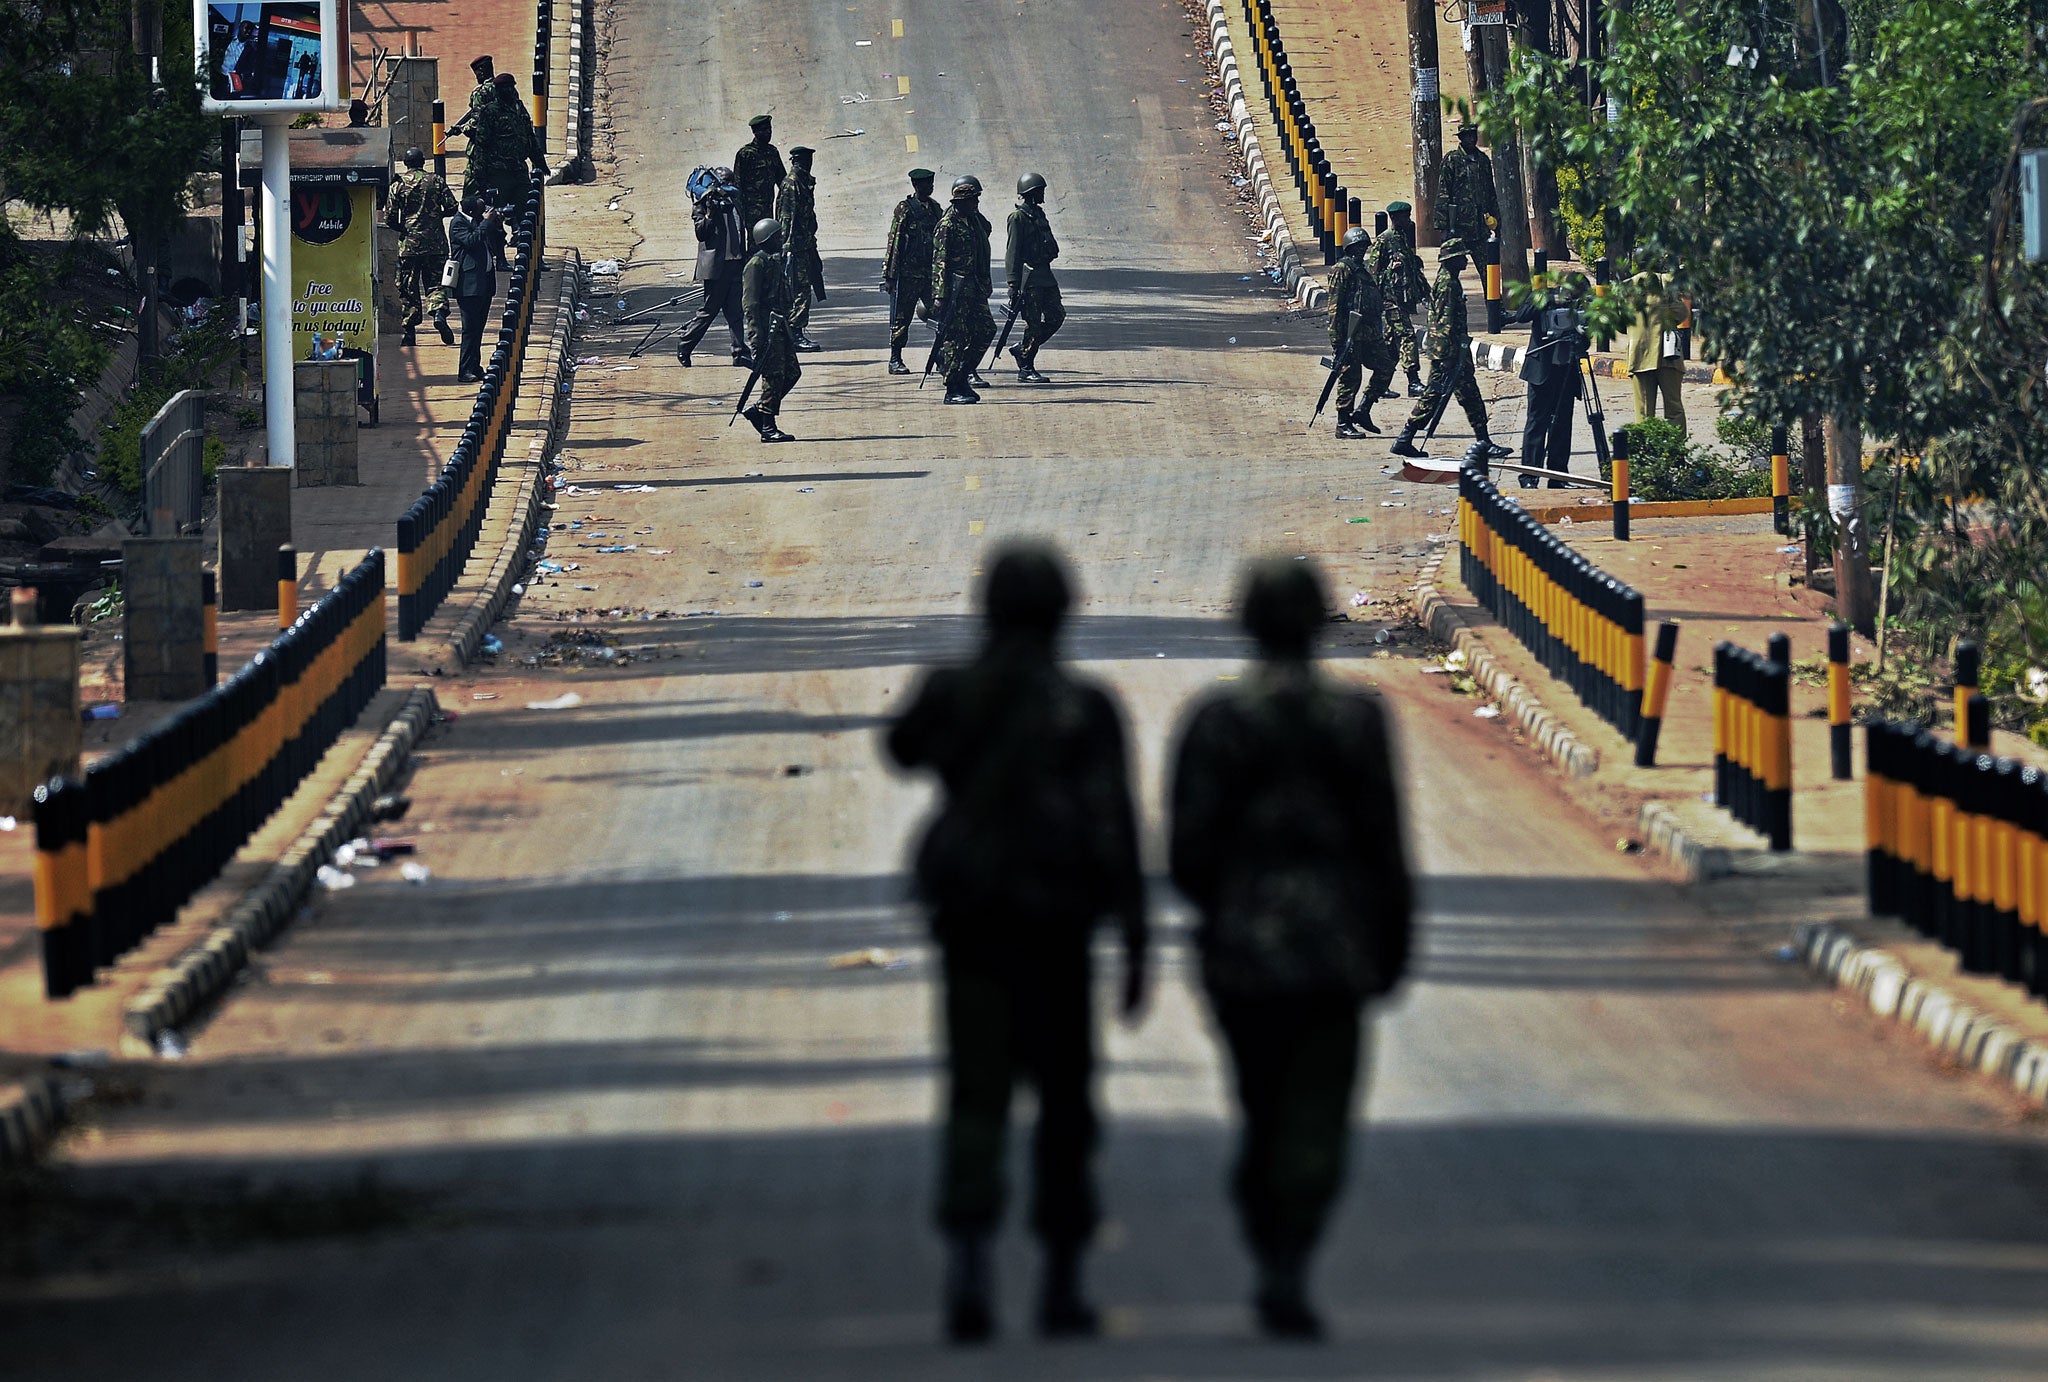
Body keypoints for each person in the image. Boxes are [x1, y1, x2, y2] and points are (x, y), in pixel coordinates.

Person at [885, 543, 1147, 1345]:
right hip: (1060, 930)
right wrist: (1136, 946)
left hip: (975, 926)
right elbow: (1119, 834)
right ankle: (1061, 1281)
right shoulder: (1086, 705)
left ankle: (970, 1263)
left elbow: (902, 750)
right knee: (1065, 1103)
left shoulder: (955, 691)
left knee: (977, 1095)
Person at [1168, 556, 1413, 1340]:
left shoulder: (1215, 721)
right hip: (1335, 948)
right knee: (1318, 1114)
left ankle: (1269, 1238)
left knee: (1259, 1103)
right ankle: (1290, 1256)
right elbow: (1385, 847)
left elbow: (1187, 854)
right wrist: (1393, 944)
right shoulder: (1357, 719)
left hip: (1242, 952)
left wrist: (1222, 919)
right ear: (1318, 621)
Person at [1389, 238, 1507, 459]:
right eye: (1461, 257)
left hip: (1453, 350)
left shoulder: (1451, 280)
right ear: (1451, 260)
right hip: (1448, 353)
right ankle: (1405, 438)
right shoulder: (1448, 285)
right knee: (1434, 396)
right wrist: (1447, 357)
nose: (1465, 260)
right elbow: (1442, 322)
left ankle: (1484, 441)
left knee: (1468, 396)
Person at [1507, 277, 1589, 487]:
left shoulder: (1580, 305)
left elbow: (1586, 339)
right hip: (1542, 370)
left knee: (1562, 425)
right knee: (1537, 423)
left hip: (1567, 370)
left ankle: (1558, 476)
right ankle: (1529, 477)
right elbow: (1522, 315)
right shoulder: (1544, 295)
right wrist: (1551, 299)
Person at [1324, 226, 1394, 439]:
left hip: (1370, 333)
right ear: (1348, 248)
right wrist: (1338, 340)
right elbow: (1334, 307)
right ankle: (1343, 422)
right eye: (1357, 247)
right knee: (1351, 377)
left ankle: (1364, 409)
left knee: (1386, 367)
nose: (1361, 251)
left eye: (1364, 247)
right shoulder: (1341, 270)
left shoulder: (1362, 269)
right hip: (1350, 335)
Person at [384, 146, 458, 348]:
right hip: (436, 243)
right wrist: (436, 217)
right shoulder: (435, 180)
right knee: (436, 283)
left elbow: (389, 216)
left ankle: (409, 333)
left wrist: (404, 228)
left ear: (406, 164)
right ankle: (439, 314)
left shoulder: (398, 185)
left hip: (409, 245)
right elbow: (452, 206)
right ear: (423, 162)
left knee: (408, 287)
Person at [675, 171, 750, 368]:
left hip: (736, 263)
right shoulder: (702, 204)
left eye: (731, 182)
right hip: (717, 267)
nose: (728, 186)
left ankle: (739, 352)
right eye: (724, 182)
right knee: (709, 311)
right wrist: (710, 213)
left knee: (735, 312)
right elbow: (701, 234)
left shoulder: (735, 200)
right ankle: (685, 344)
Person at [932, 176, 996, 404]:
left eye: (977, 199)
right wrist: (939, 296)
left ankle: (962, 374)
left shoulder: (974, 221)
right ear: (959, 203)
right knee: (955, 338)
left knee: (986, 330)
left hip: (974, 288)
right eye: (972, 200)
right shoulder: (947, 226)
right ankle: (952, 388)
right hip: (954, 291)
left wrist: (976, 214)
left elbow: (988, 229)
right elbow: (939, 261)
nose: (976, 203)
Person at [739, 217, 800, 443]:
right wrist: (756, 337)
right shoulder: (756, 264)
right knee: (773, 376)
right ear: (766, 239)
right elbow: (751, 304)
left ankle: (759, 410)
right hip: (766, 329)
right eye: (777, 237)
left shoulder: (773, 260)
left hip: (779, 326)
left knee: (792, 372)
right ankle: (767, 426)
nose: (781, 240)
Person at [463, 73, 547, 233]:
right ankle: (499, 254)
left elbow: (529, 136)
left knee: (526, 209)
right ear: (498, 91)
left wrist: (540, 161)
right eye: (505, 88)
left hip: (519, 169)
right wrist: (480, 175)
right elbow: (481, 145)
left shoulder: (519, 108)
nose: (510, 91)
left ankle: (522, 240)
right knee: (495, 216)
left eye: (511, 87)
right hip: (498, 172)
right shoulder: (490, 112)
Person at [1003, 172, 1063, 383]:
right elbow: (1012, 252)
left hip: (1045, 275)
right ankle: (1026, 367)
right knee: (1034, 324)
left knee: (1057, 316)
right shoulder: (1017, 218)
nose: (1043, 194)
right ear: (1031, 193)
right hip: (1028, 280)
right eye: (1040, 190)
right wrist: (1013, 283)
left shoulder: (1039, 214)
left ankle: (1022, 349)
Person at [1367, 201, 1430, 399]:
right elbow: (1373, 273)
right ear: (1395, 218)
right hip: (1390, 301)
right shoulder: (1384, 241)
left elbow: (1412, 270)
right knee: (1407, 336)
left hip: (1402, 299)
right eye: (1405, 217)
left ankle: (1379, 384)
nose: (1409, 220)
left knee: (1392, 345)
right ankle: (1413, 381)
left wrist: (1425, 294)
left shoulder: (1402, 239)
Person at [883, 168, 943, 373]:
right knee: (901, 318)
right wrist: (890, 275)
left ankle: (941, 358)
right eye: (927, 184)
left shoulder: (935, 209)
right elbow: (895, 241)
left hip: (930, 274)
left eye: (932, 183)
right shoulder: (905, 209)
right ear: (916, 186)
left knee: (939, 315)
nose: (930, 187)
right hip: (908, 275)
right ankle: (895, 359)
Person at [448, 195, 504, 383]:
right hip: (469, 286)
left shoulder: (477, 221)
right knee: (469, 330)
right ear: (471, 211)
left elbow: (493, 239)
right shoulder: (458, 224)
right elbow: (472, 240)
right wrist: (486, 222)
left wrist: (495, 222)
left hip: (484, 284)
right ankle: (464, 370)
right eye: (481, 210)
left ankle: (475, 366)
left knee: (479, 329)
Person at [775, 146, 826, 352]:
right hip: (795, 248)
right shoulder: (792, 183)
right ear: (798, 161)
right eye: (806, 160)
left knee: (806, 285)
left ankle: (794, 331)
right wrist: (786, 249)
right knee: (800, 289)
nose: (809, 164)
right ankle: (795, 333)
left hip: (805, 244)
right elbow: (787, 218)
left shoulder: (803, 181)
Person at [1626, 266, 1686, 433]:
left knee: (1643, 413)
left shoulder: (1627, 287)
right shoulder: (1666, 283)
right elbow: (1681, 313)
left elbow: (1620, 323)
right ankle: (1676, 453)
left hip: (1639, 354)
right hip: (1668, 355)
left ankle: (1646, 453)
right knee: (1674, 408)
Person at [1433, 121, 1499, 263]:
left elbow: (1490, 191)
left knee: (1488, 270)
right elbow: (1443, 193)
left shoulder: (1483, 160)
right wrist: (1443, 227)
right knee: (1450, 268)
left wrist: (1497, 218)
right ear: (1461, 138)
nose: (1471, 139)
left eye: (1473, 135)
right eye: (1467, 136)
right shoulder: (1452, 160)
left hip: (1480, 228)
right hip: (1458, 229)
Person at [733, 115, 787, 232]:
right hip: (752, 211)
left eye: (769, 129)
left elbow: (782, 180)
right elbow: (737, 184)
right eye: (763, 130)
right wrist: (740, 212)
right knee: (755, 242)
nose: (768, 133)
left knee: (770, 239)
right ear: (755, 132)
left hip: (768, 207)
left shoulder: (772, 152)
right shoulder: (745, 154)